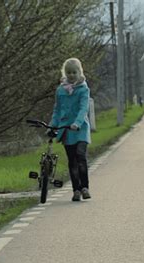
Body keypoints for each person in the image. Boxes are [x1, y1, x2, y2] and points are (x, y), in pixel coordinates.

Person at [50, 58, 91, 201]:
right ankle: (76, 190)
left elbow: (83, 108)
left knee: (81, 155)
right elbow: (57, 110)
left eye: (74, 72)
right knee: (72, 160)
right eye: (69, 72)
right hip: (66, 130)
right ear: (65, 73)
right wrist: (53, 125)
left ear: (80, 72)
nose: (72, 75)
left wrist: (77, 123)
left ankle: (85, 187)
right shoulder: (60, 90)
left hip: (80, 128)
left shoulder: (83, 89)